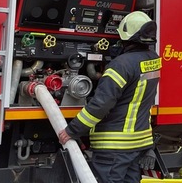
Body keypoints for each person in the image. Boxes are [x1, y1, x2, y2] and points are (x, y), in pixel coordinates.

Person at [58, 10, 162, 183]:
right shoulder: (153, 59)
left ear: (126, 36)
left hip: (114, 146)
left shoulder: (120, 65)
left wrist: (72, 130)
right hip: (138, 142)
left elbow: (101, 104)